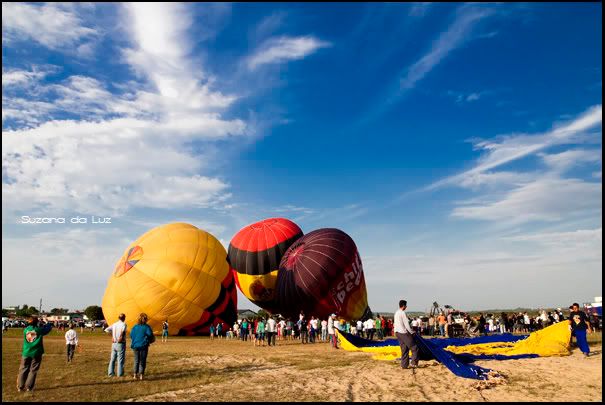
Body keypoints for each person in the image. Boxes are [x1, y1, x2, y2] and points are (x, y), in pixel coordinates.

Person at [17, 316, 53, 392]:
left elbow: (32, 330)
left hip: (26, 352)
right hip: (36, 353)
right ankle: (29, 387)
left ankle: (20, 386)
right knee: (33, 370)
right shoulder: (39, 330)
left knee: (23, 369)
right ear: (37, 322)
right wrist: (47, 322)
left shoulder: (25, 330)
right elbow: (48, 328)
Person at [394, 300, 419, 370]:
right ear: (404, 306)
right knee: (414, 347)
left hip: (397, 333)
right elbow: (406, 324)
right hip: (403, 332)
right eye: (406, 305)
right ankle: (413, 363)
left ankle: (404, 365)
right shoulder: (402, 313)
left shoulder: (396, 312)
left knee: (404, 349)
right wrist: (411, 332)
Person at [130, 313, 155, 380]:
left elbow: (131, 335)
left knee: (136, 360)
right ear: (146, 319)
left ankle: (135, 375)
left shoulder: (135, 327)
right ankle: (141, 375)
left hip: (135, 345)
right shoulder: (146, 327)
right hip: (143, 345)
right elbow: (150, 334)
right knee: (142, 360)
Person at [104, 313, 127, 377]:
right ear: (124, 318)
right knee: (120, 359)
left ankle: (110, 373)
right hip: (120, 343)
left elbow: (106, 330)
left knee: (112, 359)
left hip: (114, 343)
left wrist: (112, 336)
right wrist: (120, 338)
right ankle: (120, 374)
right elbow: (123, 332)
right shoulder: (124, 324)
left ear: (118, 318)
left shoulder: (114, 324)